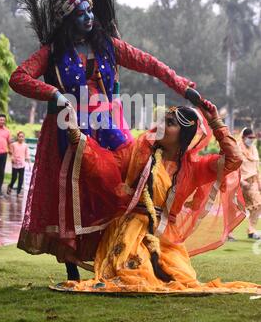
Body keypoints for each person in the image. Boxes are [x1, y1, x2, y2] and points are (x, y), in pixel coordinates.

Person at [9, 0, 196, 281]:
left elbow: (149, 63)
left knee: (117, 191)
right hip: (68, 134)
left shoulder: (108, 45)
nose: (88, 17)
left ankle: (115, 259)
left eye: (90, 11)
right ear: (68, 18)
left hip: (110, 129)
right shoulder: (53, 53)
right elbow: (18, 77)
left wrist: (180, 84)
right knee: (72, 197)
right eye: (81, 13)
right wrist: (53, 93)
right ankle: (72, 271)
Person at [54, 99, 261, 295]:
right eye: (163, 120)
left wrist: (215, 121)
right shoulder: (140, 154)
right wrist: (77, 137)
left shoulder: (195, 168)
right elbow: (107, 168)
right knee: (134, 275)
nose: (161, 125)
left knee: (181, 280)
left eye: (169, 123)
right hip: (130, 229)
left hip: (166, 238)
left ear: (184, 135)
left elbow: (234, 159)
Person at [239, 128, 261, 240]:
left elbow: (256, 168)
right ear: (243, 137)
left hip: (253, 183)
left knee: (257, 206)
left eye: (253, 138)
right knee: (236, 208)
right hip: (241, 183)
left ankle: (251, 230)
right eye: (250, 138)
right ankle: (229, 234)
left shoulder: (254, 149)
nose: (251, 140)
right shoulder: (237, 149)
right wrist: (241, 181)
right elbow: (234, 168)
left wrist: (259, 182)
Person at [7, 131, 31, 197]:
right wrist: (11, 158)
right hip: (15, 164)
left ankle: (18, 192)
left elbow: (27, 155)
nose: (21, 138)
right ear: (17, 137)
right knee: (14, 178)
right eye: (20, 136)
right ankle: (10, 186)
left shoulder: (25, 145)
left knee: (21, 179)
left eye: (22, 137)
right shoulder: (14, 144)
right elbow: (10, 153)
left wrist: (29, 163)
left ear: (24, 138)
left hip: (22, 164)